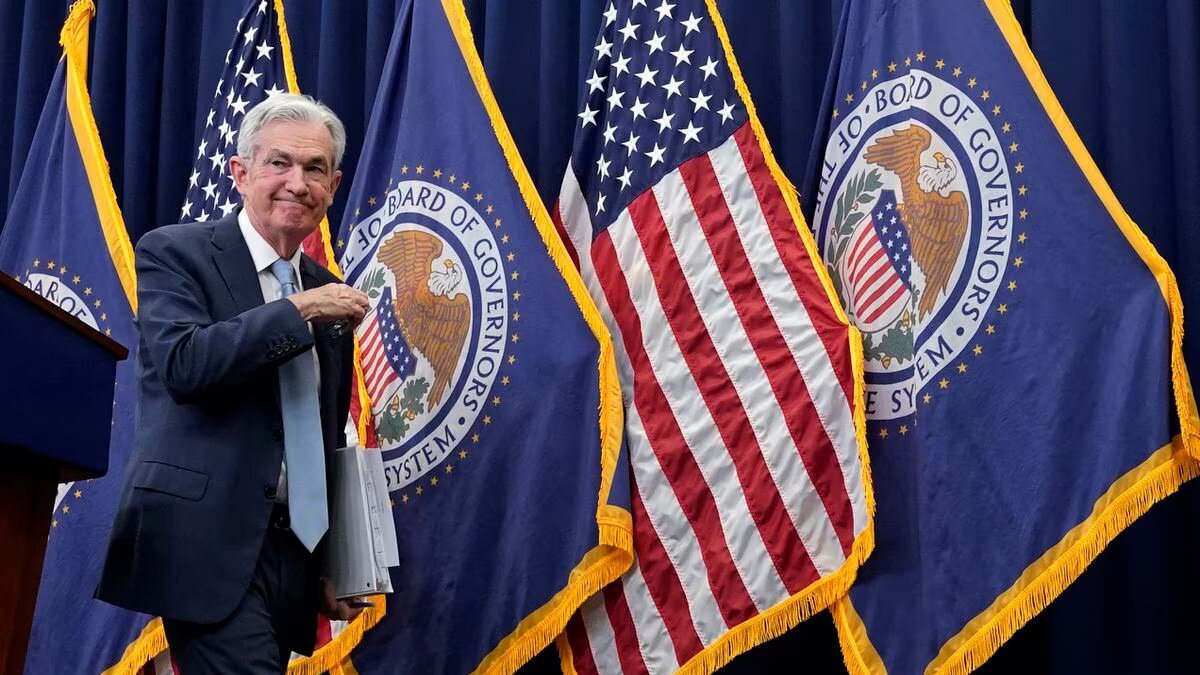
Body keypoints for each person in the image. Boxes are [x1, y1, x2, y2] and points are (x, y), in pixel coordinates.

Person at [96, 94, 371, 674]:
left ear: (334, 185)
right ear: (241, 173)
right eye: (279, 163)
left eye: (315, 169)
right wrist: (299, 310)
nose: (298, 182)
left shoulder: (326, 292)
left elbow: (317, 439)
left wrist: (332, 563)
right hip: (205, 545)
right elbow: (187, 366)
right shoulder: (176, 252)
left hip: (290, 556)